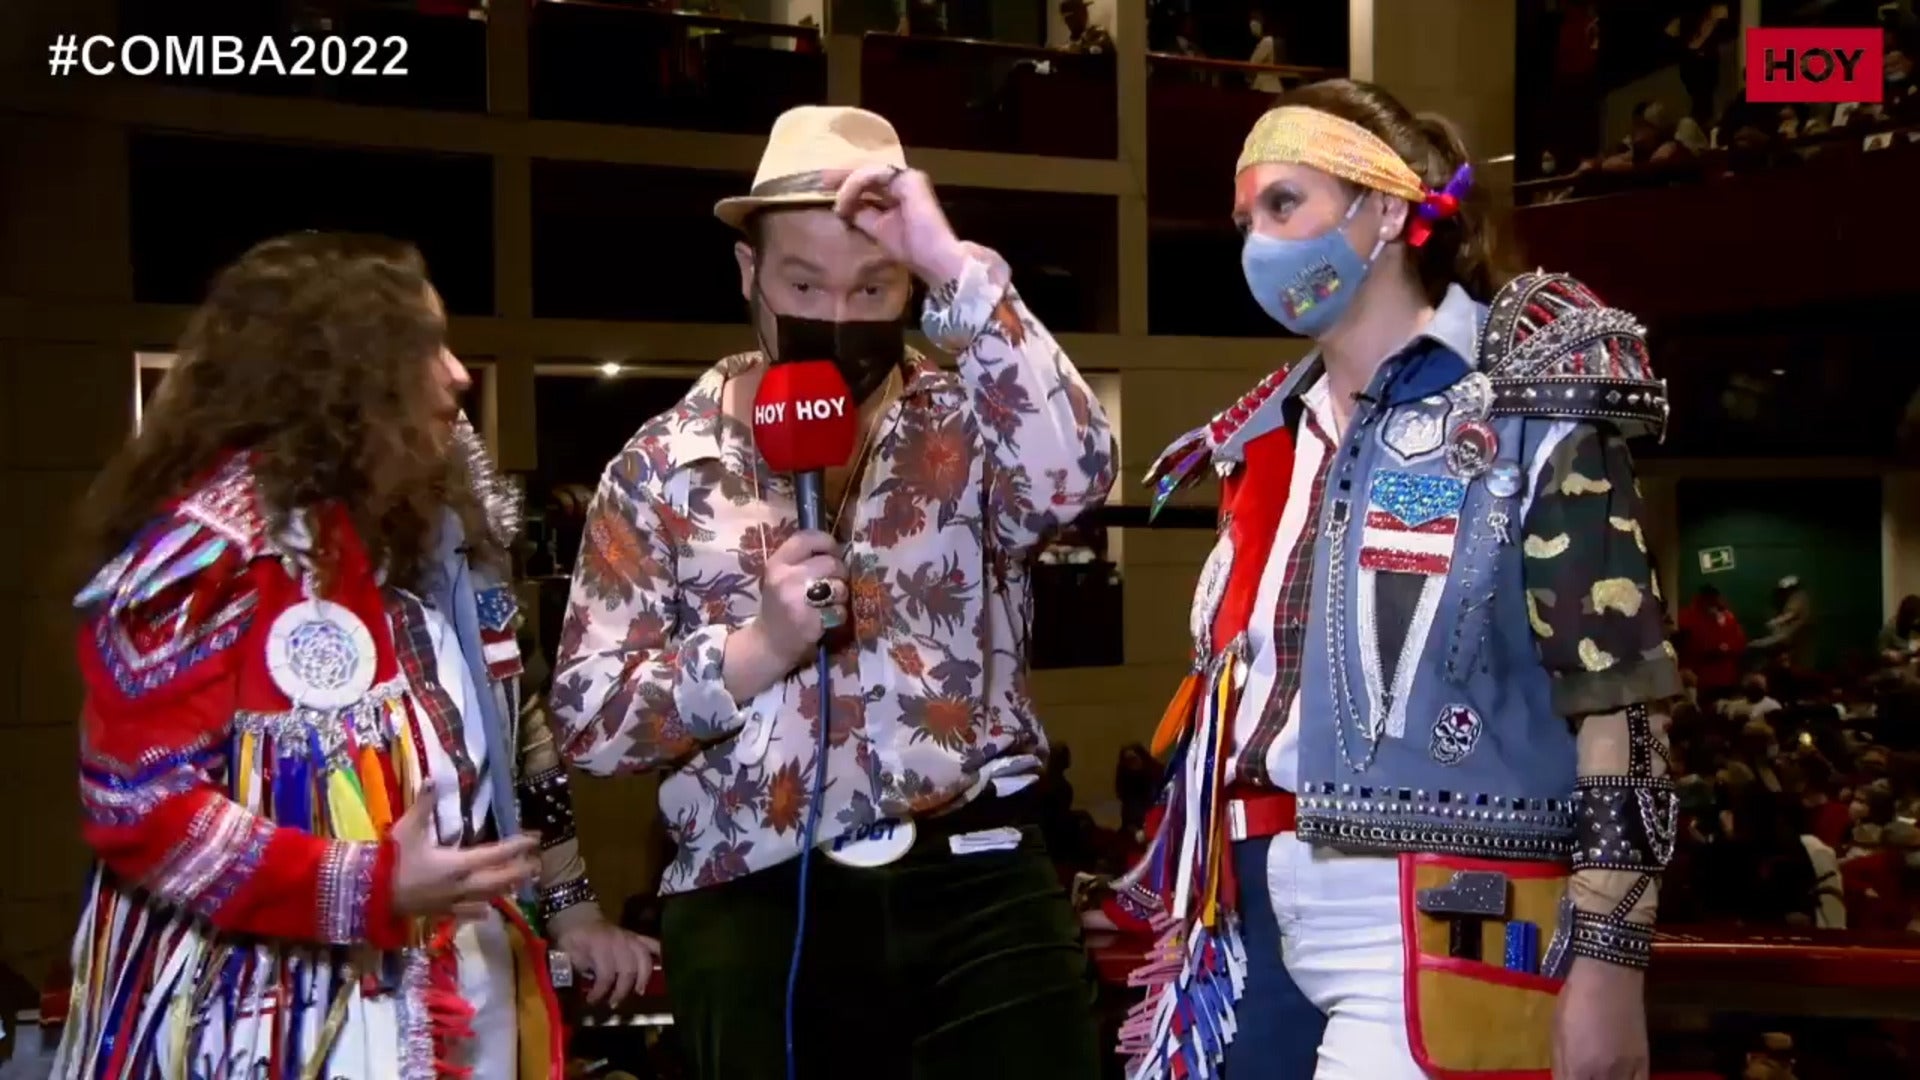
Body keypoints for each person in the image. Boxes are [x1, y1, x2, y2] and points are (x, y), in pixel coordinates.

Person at [1109, 81, 1678, 1079]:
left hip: (1440, 899)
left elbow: (1623, 707)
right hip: (1242, 910)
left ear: (1383, 210)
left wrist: (1609, 957)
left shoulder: (1532, 407)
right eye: (1245, 219)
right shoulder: (1260, 437)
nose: (1256, 242)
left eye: (1284, 204)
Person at [549, 105, 1114, 1079]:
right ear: (749, 273)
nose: (839, 315)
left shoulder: (974, 420)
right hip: (752, 896)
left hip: (979, 875)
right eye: (805, 284)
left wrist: (953, 264)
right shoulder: (658, 466)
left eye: (874, 286)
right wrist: (753, 651)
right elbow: (591, 725)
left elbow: (1080, 476)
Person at [54, 232, 654, 1079]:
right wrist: (362, 885)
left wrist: (564, 904)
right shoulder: (207, 561)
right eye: (426, 346)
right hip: (267, 1031)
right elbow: (138, 806)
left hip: (443, 996)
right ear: (336, 375)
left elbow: (512, 741)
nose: (458, 375)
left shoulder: (416, 541)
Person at [1677, 584, 1746, 701]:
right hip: (1701, 677)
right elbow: (1683, 646)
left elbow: (1739, 642)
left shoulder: (1727, 617)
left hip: (1725, 675)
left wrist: (1726, 648)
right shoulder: (1687, 617)